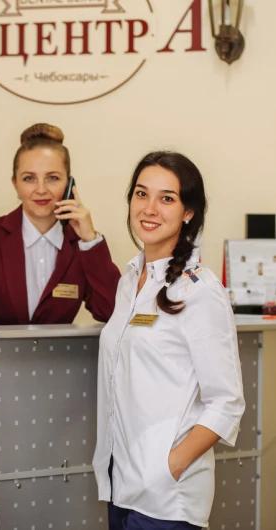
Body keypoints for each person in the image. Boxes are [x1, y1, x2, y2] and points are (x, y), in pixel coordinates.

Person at [93, 151, 245, 529]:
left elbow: (226, 402)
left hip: (166, 498)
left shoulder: (199, 291)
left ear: (188, 212)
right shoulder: (130, 280)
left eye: (167, 198)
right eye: (141, 194)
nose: (149, 208)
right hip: (120, 484)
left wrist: (168, 467)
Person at [0, 123, 121, 325]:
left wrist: (90, 240)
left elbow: (113, 313)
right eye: (29, 178)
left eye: (52, 178)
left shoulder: (81, 246)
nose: (41, 189)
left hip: (59, 349)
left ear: (69, 184)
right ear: (15, 184)